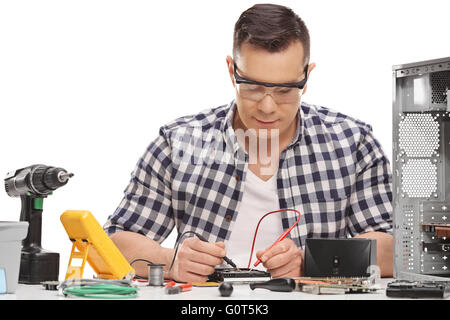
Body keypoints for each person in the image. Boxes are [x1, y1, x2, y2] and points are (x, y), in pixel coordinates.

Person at [103, 3, 393, 282]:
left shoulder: (353, 143)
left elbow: (396, 248)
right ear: (232, 71)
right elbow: (113, 242)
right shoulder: (178, 143)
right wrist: (170, 261)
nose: (267, 107)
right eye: (253, 87)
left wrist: (311, 261)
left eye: (284, 89)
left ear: (306, 77)